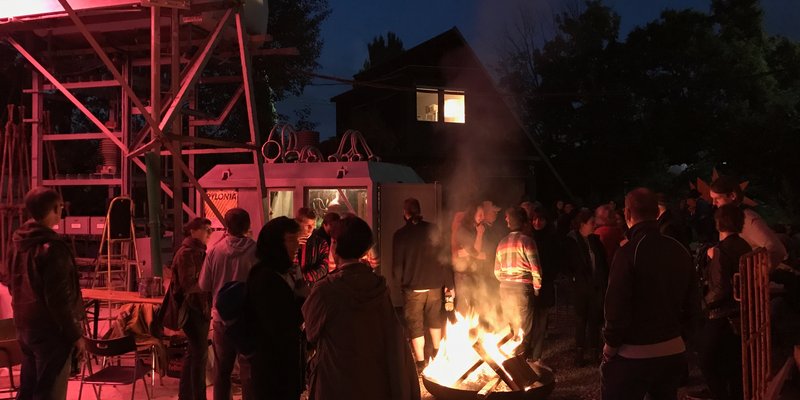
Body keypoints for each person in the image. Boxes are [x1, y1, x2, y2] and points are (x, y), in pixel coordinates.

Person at [303, 216, 420, 400]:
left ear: (334, 245)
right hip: (373, 381)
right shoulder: (379, 287)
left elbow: (311, 332)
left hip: (336, 382)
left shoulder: (325, 290)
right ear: (365, 249)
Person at [602, 188, 701, 400]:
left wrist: (610, 345)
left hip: (634, 353)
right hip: (673, 350)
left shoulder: (628, 253)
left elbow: (616, 305)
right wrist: (684, 337)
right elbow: (694, 300)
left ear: (627, 214)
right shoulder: (679, 249)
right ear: (657, 212)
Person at [0, 187, 84, 400]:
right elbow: (58, 300)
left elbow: (10, 281)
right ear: (54, 209)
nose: (61, 213)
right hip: (51, 331)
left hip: (25, 326)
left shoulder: (18, 243)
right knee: (49, 391)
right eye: (60, 208)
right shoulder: (53, 248)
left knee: (29, 387)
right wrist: (75, 335)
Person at [199, 208, 257, 400]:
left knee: (222, 371)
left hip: (222, 320)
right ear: (248, 226)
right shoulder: (256, 251)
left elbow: (204, 284)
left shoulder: (215, 251)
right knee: (248, 371)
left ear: (226, 226)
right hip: (248, 320)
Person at [246, 217, 304, 400]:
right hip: (272, 368)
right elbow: (280, 324)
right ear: (275, 243)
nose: (297, 246)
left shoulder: (284, 273)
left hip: (285, 366)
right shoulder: (264, 278)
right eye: (291, 240)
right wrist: (303, 300)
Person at [392, 198, 453, 371]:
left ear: (405, 212)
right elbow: (444, 258)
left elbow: (397, 265)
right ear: (419, 210)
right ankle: (437, 354)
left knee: (415, 325)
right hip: (434, 285)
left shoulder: (400, 235)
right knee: (435, 319)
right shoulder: (433, 229)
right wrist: (448, 283)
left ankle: (420, 363)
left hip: (413, 287)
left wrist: (399, 283)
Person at [696, 204, 750, 400]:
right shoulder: (745, 246)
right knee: (733, 363)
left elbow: (719, 289)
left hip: (720, 315)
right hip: (740, 313)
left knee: (706, 360)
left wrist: (703, 304)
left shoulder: (719, 251)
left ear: (717, 223)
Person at [173, 217, 213, 400]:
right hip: (193, 311)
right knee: (200, 356)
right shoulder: (187, 253)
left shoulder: (199, 252)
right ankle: (198, 396)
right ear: (193, 231)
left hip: (199, 309)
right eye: (206, 229)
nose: (209, 233)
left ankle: (186, 395)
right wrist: (208, 283)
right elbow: (188, 285)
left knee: (193, 354)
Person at [709, 176, 787, 269]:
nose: (713, 203)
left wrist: (756, 276)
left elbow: (777, 250)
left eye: (717, 198)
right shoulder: (728, 219)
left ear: (732, 196)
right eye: (712, 199)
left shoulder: (748, 219)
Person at [495, 207, 542, 359]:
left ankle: (509, 359)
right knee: (524, 327)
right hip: (522, 288)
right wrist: (536, 288)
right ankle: (521, 361)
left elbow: (496, 272)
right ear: (523, 222)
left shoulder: (501, 243)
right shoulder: (528, 241)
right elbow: (536, 269)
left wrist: (506, 280)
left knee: (510, 324)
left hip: (505, 288)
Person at [565, 208, 608, 366]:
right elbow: (569, 264)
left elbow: (602, 262)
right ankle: (579, 353)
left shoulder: (595, 241)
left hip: (595, 286)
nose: (594, 225)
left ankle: (594, 352)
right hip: (581, 287)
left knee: (594, 320)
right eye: (591, 223)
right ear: (582, 224)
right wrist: (574, 279)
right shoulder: (572, 241)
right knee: (581, 319)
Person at [529, 206, 562, 365]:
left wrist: (546, 277)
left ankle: (537, 356)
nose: (537, 222)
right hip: (529, 285)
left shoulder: (552, 238)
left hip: (545, 284)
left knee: (541, 321)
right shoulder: (528, 237)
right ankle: (527, 356)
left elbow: (556, 262)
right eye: (534, 219)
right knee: (529, 322)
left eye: (540, 219)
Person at [452, 205, 487, 315]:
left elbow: (482, 253)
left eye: (483, 215)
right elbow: (476, 251)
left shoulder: (477, 228)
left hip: (475, 273)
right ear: (473, 214)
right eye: (480, 214)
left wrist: (471, 253)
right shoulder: (463, 229)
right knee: (464, 304)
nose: (483, 217)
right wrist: (480, 234)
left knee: (477, 304)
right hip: (463, 274)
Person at [298, 212, 340, 285]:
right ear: (299, 225)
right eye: (307, 225)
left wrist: (302, 278)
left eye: (313, 224)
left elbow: (323, 268)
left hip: (313, 286)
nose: (311, 228)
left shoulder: (320, 242)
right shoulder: (292, 242)